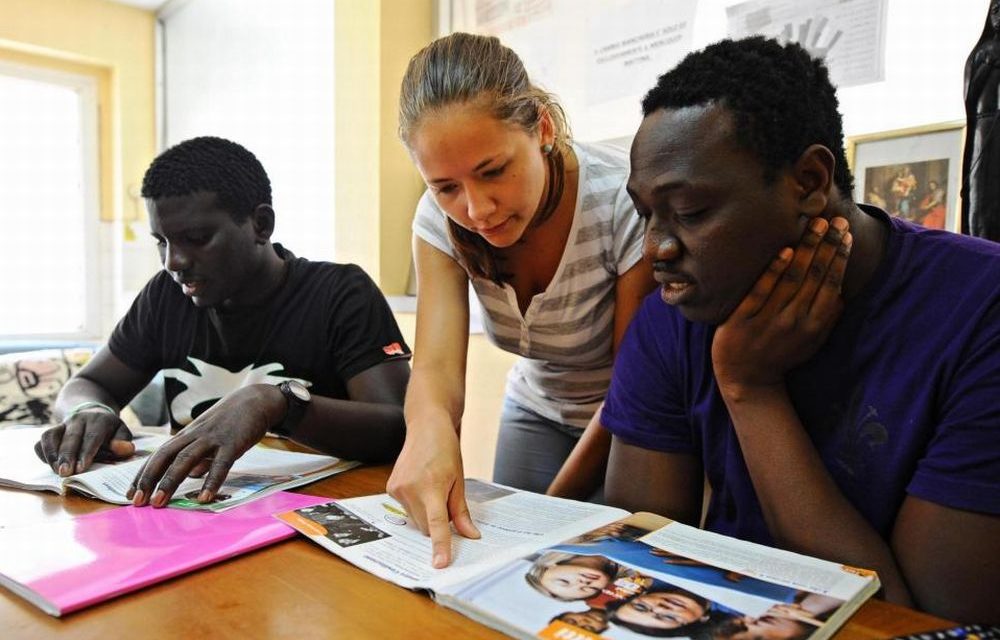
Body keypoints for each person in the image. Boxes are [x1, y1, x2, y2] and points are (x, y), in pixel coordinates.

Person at [600, 36, 1000, 623]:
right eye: (644, 214)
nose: (656, 248)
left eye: (689, 212)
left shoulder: (981, 309)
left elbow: (923, 623)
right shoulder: (678, 309)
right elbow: (636, 565)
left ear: (809, 181)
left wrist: (751, 390)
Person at [387, 32, 655, 567]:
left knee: (593, 565)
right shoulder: (438, 221)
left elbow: (632, 387)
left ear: (543, 128)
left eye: (492, 171)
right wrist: (427, 433)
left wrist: (545, 516)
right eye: (446, 187)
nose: (477, 209)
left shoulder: (621, 201)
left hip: (627, 418)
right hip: (535, 406)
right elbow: (436, 373)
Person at [34, 136, 412, 507]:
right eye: (162, 241)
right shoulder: (166, 296)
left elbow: (399, 426)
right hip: (190, 515)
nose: (174, 262)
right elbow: (87, 384)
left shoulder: (340, 292)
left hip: (317, 512)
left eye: (197, 238)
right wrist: (88, 411)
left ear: (261, 224)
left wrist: (277, 402)